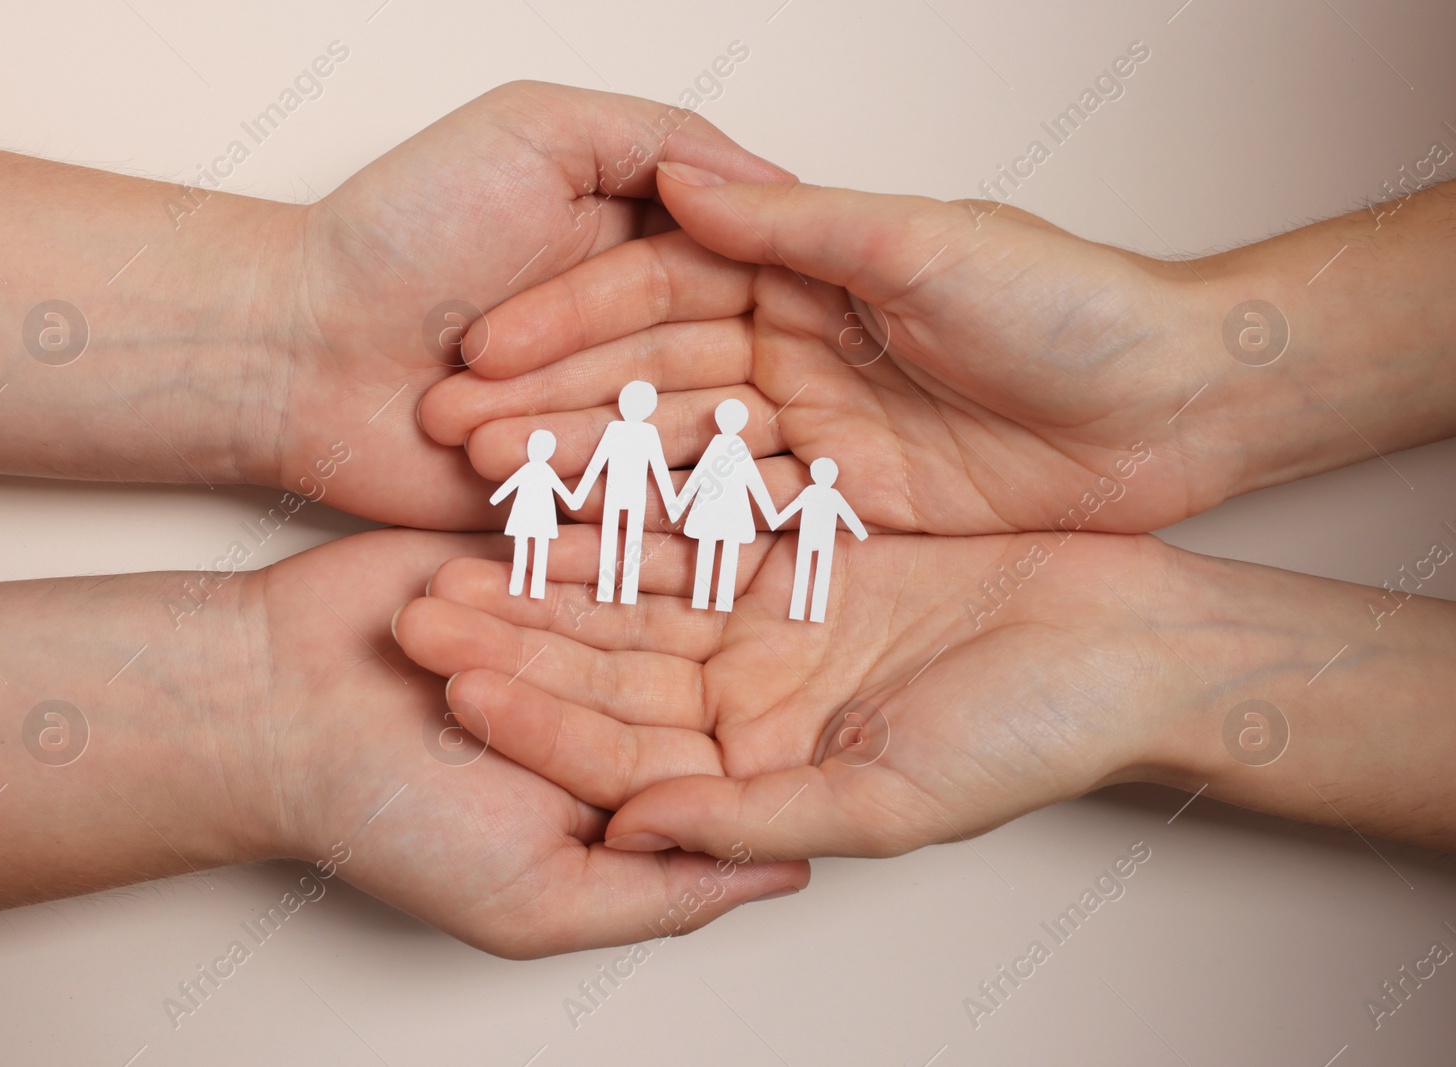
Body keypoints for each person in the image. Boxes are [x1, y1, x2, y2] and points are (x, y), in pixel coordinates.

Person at [0, 84, 810, 959]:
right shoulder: (641, 444)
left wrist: (282, 725)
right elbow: (614, 463)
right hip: (573, 491)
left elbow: (628, 466)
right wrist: (290, 326)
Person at [407, 166, 1456, 862]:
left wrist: (1167, 666)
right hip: (714, 518)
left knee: (756, 565)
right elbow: (602, 485)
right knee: (683, 553)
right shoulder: (664, 452)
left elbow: (750, 498)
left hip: (761, 524)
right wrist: (1199, 376)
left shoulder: (773, 477)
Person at [569, 379, 678, 604]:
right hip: (618, 492)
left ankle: (625, 591)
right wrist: (579, 494)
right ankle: (608, 590)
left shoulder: (646, 432)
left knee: (628, 541)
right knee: (616, 538)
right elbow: (597, 463)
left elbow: (659, 468)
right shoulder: (617, 429)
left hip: (630, 493)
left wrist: (671, 503)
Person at [669, 398, 781, 611]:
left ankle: (709, 599)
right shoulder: (729, 445)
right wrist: (771, 514)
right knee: (725, 551)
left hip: (718, 506)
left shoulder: (725, 445)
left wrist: (678, 505)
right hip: (724, 508)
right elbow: (753, 481)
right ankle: (716, 600)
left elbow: (700, 477)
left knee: (711, 550)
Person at [774, 457, 866, 623]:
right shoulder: (829, 494)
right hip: (820, 538)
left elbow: (794, 507)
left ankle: (800, 610)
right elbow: (848, 514)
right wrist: (861, 533)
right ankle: (810, 612)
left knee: (806, 572)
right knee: (819, 574)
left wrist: (777, 520)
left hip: (812, 537)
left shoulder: (813, 492)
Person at [489, 430, 574, 599]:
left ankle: (521, 587)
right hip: (536, 516)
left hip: (529, 515)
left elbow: (508, 486)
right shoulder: (542, 470)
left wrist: (495, 499)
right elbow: (564, 493)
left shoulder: (534, 470)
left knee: (524, 548)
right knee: (535, 550)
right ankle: (531, 589)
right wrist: (573, 501)